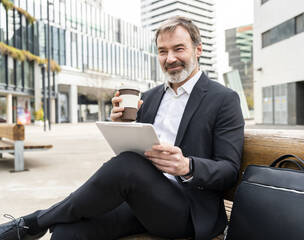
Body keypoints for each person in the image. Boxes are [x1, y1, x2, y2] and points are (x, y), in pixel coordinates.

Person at [0, 16, 244, 240]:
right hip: (142, 202)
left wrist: (188, 166)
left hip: (188, 212)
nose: (170, 58)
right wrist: (122, 126)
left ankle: (34, 222)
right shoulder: (148, 97)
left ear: (198, 50)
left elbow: (229, 169)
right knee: (68, 231)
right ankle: (41, 222)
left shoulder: (223, 99)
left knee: (127, 164)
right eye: (162, 51)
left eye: (178, 49)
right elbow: (135, 154)